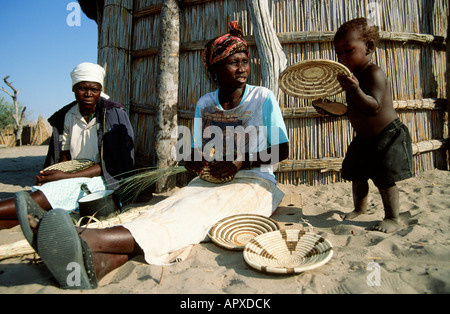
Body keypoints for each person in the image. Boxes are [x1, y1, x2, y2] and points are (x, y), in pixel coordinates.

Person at [17, 22, 289, 289]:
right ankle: (97, 266)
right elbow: (194, 152)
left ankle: (89, 238)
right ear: (215, 68)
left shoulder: (262, 98)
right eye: (233, 62)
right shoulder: (206, 103)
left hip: (255, 180)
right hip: (212, 180)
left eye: (245, 61)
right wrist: (192, 160)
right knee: (167, 208)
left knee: (196, 216)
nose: (243, 68)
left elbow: (282, 150)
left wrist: (241, 161)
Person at [0, 62, 135, 231]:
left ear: (100, 90)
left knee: (44, 196)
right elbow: (64, 157)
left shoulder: (113, 115)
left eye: (94, 89)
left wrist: (64, 177)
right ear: (73, 89)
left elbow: (112, 165)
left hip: (104, 179)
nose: (88, 94)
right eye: (82, 88)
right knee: (44, 193)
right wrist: (53, 174)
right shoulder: (67, 116)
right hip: (74, 175)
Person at [333, 18, 413, 233]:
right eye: (338, 53)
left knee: (384, 178)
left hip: (387, 135)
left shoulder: (373, 73)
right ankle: (360, 208)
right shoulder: (353, 78)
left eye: (348, 50)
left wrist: (355, 90)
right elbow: (355, 109)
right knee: (357, 174)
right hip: (364, 138)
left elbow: (373, 107)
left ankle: (393, 218)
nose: (342, 57)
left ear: (368, 47)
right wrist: (332, 109)